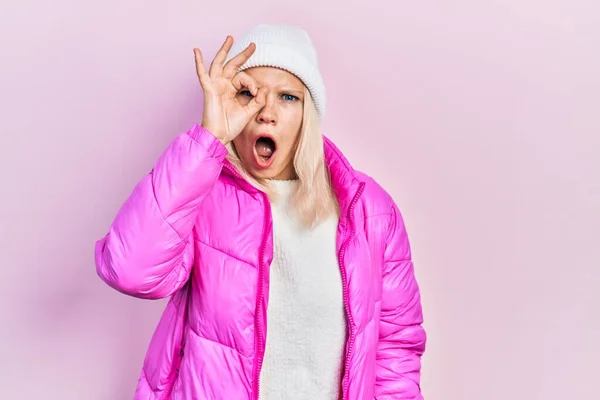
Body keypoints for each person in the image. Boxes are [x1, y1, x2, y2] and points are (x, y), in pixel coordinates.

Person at [95, 24, 426, 400]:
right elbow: (129, 269)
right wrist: (208, 139)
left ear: (308, 114)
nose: (266, 112)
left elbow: (396, 347)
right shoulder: (202, 197)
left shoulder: (369, 211)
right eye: (248, 94)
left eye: (287, 96)